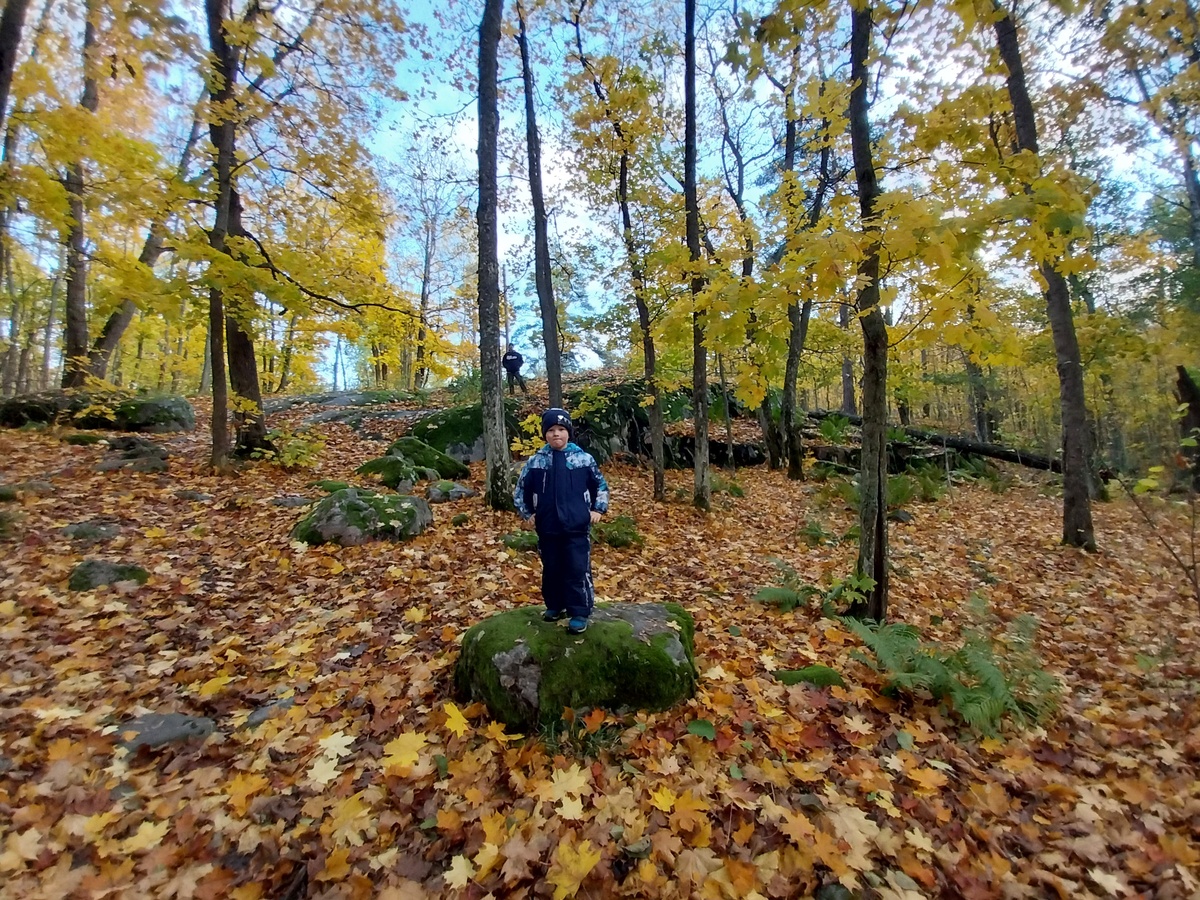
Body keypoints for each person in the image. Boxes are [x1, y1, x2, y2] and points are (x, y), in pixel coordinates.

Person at [513, 408, 609, 634]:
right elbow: (521, 490)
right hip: (548, 526)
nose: (557, 434)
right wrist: (527, 513)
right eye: (552, 430)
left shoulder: (583, 459)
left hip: (576, 526)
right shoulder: (537, 462)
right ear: (545, 434)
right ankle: (555, 605)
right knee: (552, 568)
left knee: (576, 568)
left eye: (562, 430)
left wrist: (598, 509)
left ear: (569, 433)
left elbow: (600, 486)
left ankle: (579, 611)